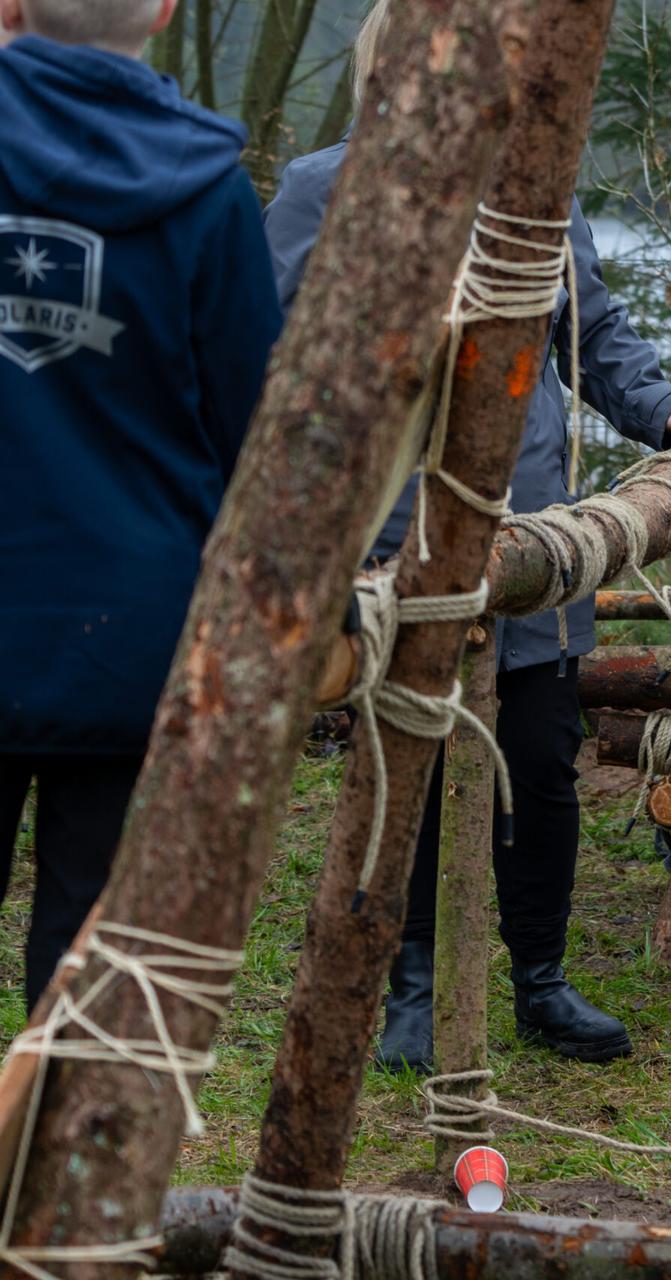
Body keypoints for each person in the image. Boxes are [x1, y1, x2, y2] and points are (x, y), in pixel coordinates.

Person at [263, 0, 671, 1069]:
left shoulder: (538, 191)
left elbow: (592, 330)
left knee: (541, 762)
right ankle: (411, 987)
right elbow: (272, 354)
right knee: (406, 763)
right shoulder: (319, 191)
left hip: (535, 528)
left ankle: (540, 981)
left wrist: (662, 406)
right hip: (394, 535)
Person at [0, 0, 280, 1008]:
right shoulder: (209, 193)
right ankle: (64, 1168)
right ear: (164, 12)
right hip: (130, 635)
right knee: (90, 969)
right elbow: (262, 432)